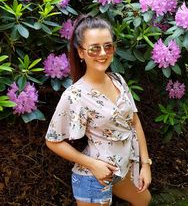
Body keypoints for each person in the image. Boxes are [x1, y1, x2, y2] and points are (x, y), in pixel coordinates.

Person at [45, 15, 152, 206]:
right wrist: (93, 164)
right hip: (94, 178)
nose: (103, 53)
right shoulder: (75, 95)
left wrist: (145, 164)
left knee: (144, 200)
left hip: (125, 168)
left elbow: (134, 122)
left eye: (108, 46)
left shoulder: (118, 80)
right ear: (81, 52)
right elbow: (53, 141)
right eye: (94, 48)